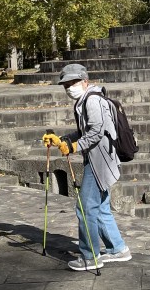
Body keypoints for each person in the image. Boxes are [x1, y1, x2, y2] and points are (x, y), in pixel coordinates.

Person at [42, 63, 130, 271]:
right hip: (99, 159)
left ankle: (90, 257)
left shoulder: (92, 101)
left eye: (73, 82)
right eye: (66, 85)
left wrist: (73, 147)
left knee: (84, 208)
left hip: (99, 161)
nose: (69, 87)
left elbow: (97, 131)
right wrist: (61, 140)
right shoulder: (84, 101)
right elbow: (84, 132)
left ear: (85, 81)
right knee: (100, 207)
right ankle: (118, 248)